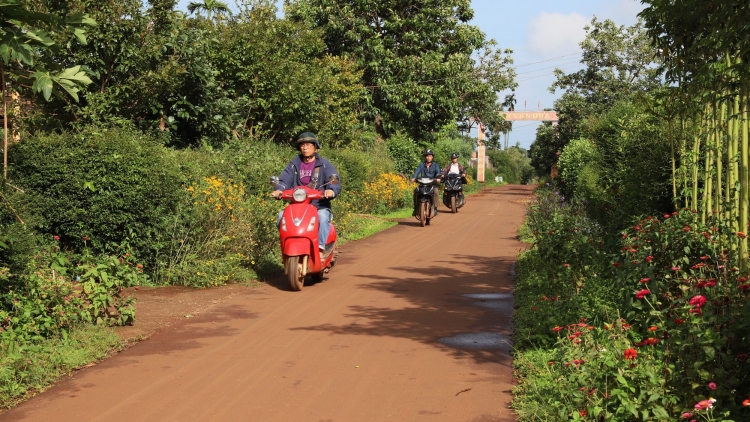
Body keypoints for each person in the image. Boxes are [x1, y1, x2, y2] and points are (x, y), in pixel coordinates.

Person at [272, 132, 341, 255]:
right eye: (302, 145)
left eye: (308, 145)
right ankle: (286, 244)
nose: (305, 148)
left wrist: (331, 190)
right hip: (297, 206)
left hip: (319, 205)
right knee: (281, 216)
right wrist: (279, 190)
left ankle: (320, 248)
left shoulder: (324, 164)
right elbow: (283, 180)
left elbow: (333, 180)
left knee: (322, 217)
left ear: (315, 147)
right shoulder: (294, 164)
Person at [410, 149, 442, 216]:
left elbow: (438, 172)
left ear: (432, 157)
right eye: (427, 156)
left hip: (432, 184)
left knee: (436, 191)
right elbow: (417, 171)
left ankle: (435, 208)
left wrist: (438, 178)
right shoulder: (422, 165)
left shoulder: (435, 165)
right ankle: (415, 208)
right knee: (416, 191)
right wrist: (414, 177)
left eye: (430, 156)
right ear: (425, 157)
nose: (428, 157)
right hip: (422, 184)